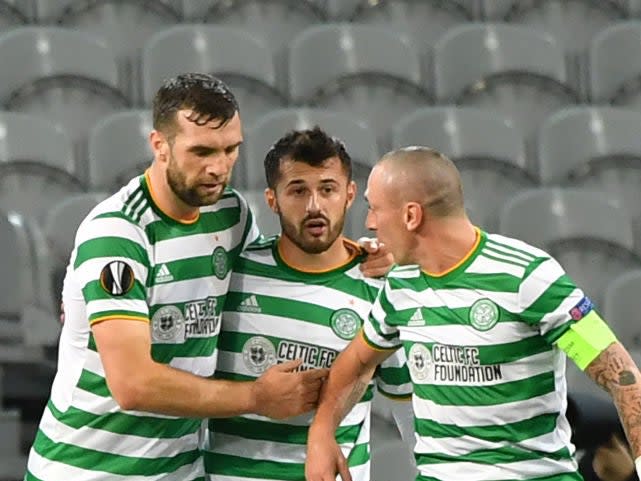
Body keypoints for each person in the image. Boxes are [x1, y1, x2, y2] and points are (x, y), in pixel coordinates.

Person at [25, 73, 331, 480]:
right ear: (160, 146)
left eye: (230, 150)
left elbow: (272, 281)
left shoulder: (230, 213)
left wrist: (359, 257)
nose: (218, 168)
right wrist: (256, 397)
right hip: (87, 469)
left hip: (179, 471)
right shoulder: (118, 233)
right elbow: (133, 384)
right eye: (202, 151)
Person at [305, 146, 641, 481]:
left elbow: (620, 374)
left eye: (375, 209)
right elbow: (355, 364)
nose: (369, 223)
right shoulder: (400, 286)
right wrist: (321, 434)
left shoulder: (528, 277)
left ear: (411, 216)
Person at [202, 127, 414, 481]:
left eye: (327, 189)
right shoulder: (232, 275)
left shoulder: (381, 288)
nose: (314, 206)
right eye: (298, 191)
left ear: (349, 195)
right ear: (272, 200)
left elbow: (410, 414)